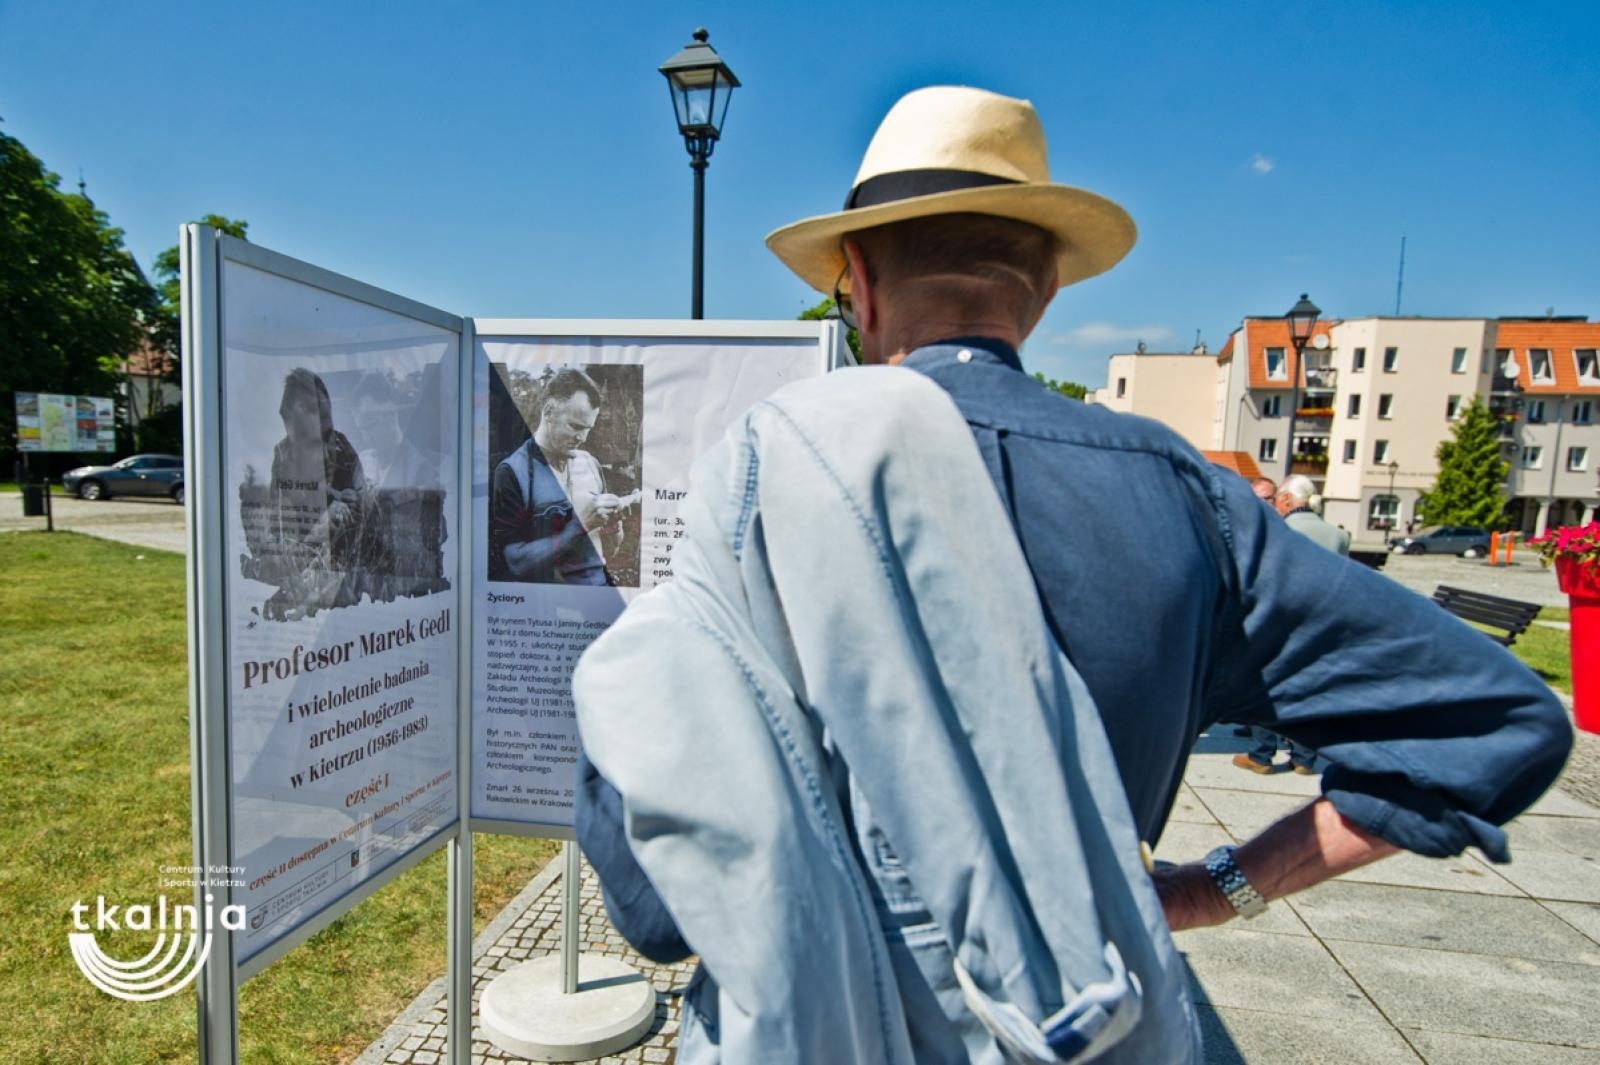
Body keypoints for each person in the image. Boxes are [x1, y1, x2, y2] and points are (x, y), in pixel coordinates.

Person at [575, 86, 1570, 1059]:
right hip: (1092, 1021)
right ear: (1043, 292)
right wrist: (1210, 891)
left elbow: (654, 909)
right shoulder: (1185, 491)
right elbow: (1489, 727)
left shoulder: (761, 485)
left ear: (857, 283)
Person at [489, 369, 633, 585]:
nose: (582, 438)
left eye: (588, 429)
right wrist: (579, 526)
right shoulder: (512, 471)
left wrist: (613, 527)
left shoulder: (590, 463)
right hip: (551, 604)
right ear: (548, 411)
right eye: (575, 426)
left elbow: (610, 550)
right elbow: (515, 563)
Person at [1274, 473, 1350, 555]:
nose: (1274, 504)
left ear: (1286, 498)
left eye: (1275, 498)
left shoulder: (1276, 532)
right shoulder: (1340, 536)